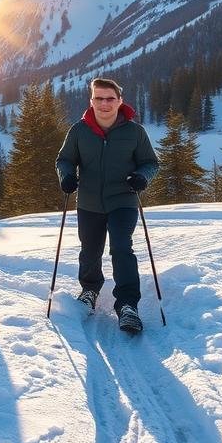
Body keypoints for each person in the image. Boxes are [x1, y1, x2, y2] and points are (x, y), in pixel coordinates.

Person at [55, 78, 159, 334]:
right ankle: (90, 289)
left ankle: (127, 305)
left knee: (122, 247)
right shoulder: (79, 131)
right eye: (98, 98)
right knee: (90, 249)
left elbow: (151, 163)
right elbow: (64, 160)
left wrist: (141, 177)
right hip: (89, 202)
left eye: (109, 98)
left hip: (123, 199)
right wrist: (66, 176)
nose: (104, 103)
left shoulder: (135, 132)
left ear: (120, 101)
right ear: (91, 101)